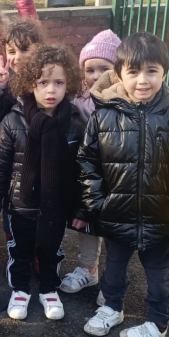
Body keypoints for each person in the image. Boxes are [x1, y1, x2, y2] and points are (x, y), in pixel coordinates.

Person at [76, 34, 169, 337]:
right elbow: (88, 162)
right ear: (118, 74)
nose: (143, 80)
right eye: (133, 72)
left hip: (161, 217)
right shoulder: (103, 116)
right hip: (116, 213)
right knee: (113, 268)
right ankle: (112, 308)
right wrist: (98, 203)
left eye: (152, 71)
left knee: (159, 276)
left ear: (164, 72)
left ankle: (158, 321)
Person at [0, 46, 86, 321]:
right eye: (43, 82)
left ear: (69, 84)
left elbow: (83, 170)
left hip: (57, 204)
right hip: (20, 203)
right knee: (20, 250)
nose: (51, 90)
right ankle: (20, 290)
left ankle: (49, 290)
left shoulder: (75, 123)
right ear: (30, 84)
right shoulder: (12, 121)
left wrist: (82, 209)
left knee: (51, 250)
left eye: (59, 82)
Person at [59, 29, 121, 295]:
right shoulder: (77, 99)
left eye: (104, 69)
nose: (96, 76)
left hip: (115, 172)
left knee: (115, 227)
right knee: (86, 222)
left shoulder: (122, 99)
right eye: (90, 69)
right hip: (87, 171)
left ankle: (113, 280)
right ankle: (88, 269)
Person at [0, 18, 46, 131]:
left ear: (39, 49)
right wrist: (0, 87)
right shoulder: (4, 82)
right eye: (12, 52)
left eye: (25, 50)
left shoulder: (48, 78)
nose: (18, 57)